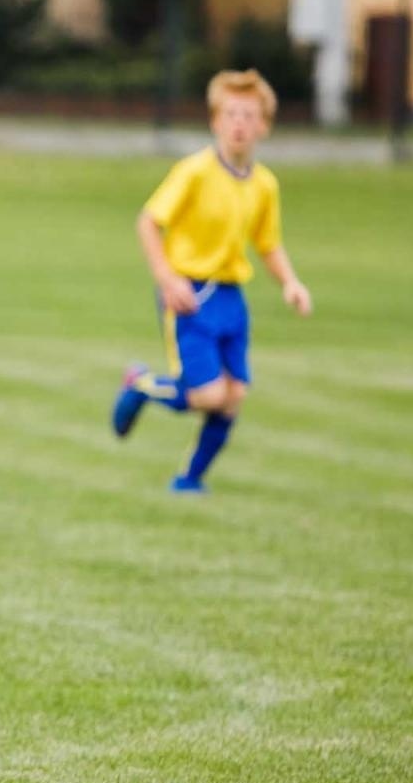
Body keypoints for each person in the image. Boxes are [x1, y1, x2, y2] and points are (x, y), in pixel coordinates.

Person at [111, 69, 311, 493]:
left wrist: (291, 283)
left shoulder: (264, 185)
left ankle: (188, 481)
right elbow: (149, 221)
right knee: (206, 397)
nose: (239, 123)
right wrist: (167, 279)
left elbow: (267, 243)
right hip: (190, 292)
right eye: (231, 114)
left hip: (230, 297)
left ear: (264, 126)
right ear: (216, 121)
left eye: (249, 115)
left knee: (233, 397)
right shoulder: (195, 172)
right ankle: (141, 385)